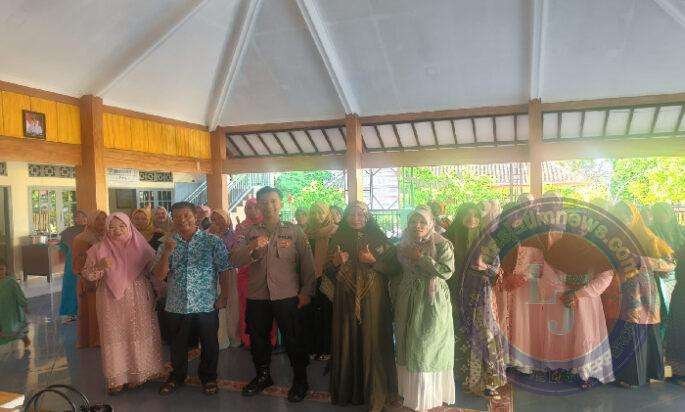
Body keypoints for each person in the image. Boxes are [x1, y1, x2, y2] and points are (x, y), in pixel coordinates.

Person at [232, 186, 315, 403]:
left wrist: (307, 292)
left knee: (294, 339)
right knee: (258, 339)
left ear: (281, 203)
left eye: (273, 201)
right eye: (264, 202)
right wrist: (252, 246)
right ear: (258, 205)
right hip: (257, 296)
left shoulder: (294, 231)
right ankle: (263, 376)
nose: (269, 206)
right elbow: (234, 259)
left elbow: (307, 263)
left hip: (287, 295)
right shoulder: (249, 232)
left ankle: (300, 380)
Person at [325, 201, 399, 411]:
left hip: (375, 301)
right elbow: (327, 271)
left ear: (368, 216)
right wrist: (336, 263)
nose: (356, 218)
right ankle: (349, 392)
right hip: (345, 301)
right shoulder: (338, 239)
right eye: (352, 214)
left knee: (373, 341)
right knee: (348, 339)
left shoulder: (379, 238)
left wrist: (373, 260)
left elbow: (394, 268)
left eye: (361, 214)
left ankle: (376, 394)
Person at [154, 202, 231, 396]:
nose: (182, 220)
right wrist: (167, 252)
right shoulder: (166, 244)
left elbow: (224, 270)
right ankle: (176, 376)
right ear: (172, 219)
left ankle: (209, 378)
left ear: (195, 216)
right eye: (177, 216)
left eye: (186, 215)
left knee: (209, 343)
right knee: (177, 345)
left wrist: (224, 296)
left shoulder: (212, 241)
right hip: (176, 304)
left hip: (206, 303)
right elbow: (159, 275)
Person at [82, 213, 164, 395]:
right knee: (114, 335)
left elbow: (154, 272)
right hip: (110, 299)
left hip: (139, 297)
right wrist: (99, 267)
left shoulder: (141, 246)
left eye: (121, 226)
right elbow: (88, 276)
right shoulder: (98, 249)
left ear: (129, 227)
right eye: (111, 227)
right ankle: (117, 379)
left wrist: (160, 291)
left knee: (137, 331)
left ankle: (138, 375)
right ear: (106, 229)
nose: (116, 230)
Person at [394, 206, 455, 411]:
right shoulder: (403, 243)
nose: (417, 225)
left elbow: (446, 271)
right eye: (413, 221)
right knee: (406, 341)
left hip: (431, 300)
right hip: (407, 297)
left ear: (430, 223)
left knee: (426, 345)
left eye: (422, 221)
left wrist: (421, 257)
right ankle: (410, 394)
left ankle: (429, 397)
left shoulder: (442, 244)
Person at [609, 202, 674, 388]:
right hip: (617, 292)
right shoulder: (610, 236)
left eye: (626, 215)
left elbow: (670, 264)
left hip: (644, 294)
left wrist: (642, 261)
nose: (623, 219)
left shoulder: (648, 237)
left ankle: (645, 374)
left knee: (642, 330)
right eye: (618, 214)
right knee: (623, 331)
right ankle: (625, 376)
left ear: (635, 217)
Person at [447, 202, 507, 398]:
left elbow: (497, 271)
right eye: (467, 214)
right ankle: (463, 379)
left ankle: (489, 381)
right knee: (460, 334)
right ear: (460, 217)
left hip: (481, 295)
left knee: (485, 333)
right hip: (455, 295)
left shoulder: (488, 241)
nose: (472, 219)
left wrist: (484, 267)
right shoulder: (449, 239)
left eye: (475, 215)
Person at [651, 203, 685, 385]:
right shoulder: (652, 232)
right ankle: (672, 367)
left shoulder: (680, 231)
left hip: (678, 281)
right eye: (659, 213)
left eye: (665, 212)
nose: (663, 216)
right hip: (662, 279)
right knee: (668, 319)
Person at [304, 202, 338, 361]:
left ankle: (326, 349)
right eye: (313, 213)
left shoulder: (335, 231)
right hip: (309, 279)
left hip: (328, 279)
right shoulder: (306, 232)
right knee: (310, 314)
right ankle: (312, 347)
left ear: (327, 214)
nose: (317, 216)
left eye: (320, 212)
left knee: (326, 314)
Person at [72, 209, 107, 348]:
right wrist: (86, 279)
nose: (101, 222)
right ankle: (93, 339)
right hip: (89, 280)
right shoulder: (81, 239)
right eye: (97, 219)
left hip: (106, 279)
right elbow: (78, 262)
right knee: (92, 309)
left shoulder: (108, 236)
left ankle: (104, 337)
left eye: (104, 218)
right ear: (91, 221)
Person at [207, 209, 241, 349]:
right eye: (214, 219)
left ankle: (232, 336)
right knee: (215, 304)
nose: (217, 221)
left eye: (221, 218)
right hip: (211, 275)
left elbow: (235, 255)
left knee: (231, 304)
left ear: (227, 219)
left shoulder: (234, 235)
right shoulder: (206, 235)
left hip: (229, 273)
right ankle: (217, 338)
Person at [58, 210, 87, 323]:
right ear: (74, 219)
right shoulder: (68, 232)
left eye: (83, 217)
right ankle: (70, 313)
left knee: (86, 287)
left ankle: (85, 312)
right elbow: (63, 249)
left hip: (87, 263)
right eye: (77, 217)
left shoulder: (90, 231)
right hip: (72, 264)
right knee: (70, 288)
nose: (80, 219)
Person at [0, 259, 31, 350]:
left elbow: (19, 294)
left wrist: (24, 305)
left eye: (1, 269)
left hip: (12, 312)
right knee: (3, 331)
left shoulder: (11, 282)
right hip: (1, 313)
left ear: (6, 269)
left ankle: (25, 339)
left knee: (14, 329)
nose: (0, 272)